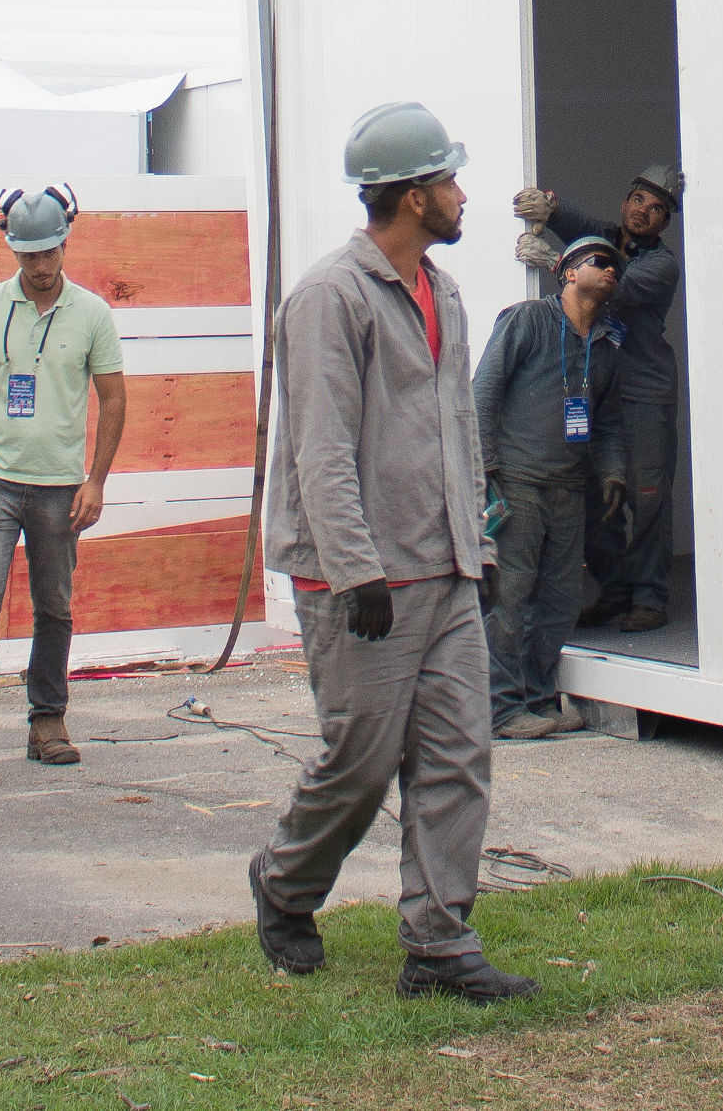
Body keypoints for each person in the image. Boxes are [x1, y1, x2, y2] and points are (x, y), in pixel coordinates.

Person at [247, 100, 534, 1003]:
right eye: (448, 180)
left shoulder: (441, 291)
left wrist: (474, 548)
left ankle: (438, 945)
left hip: (443, 570)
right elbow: (320, 447)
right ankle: (285, 885)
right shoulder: (330, 298)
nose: (461, 195)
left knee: (457, 758)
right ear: (411, 198)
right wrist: (354, 568)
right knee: (360, 764)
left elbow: (453, 427)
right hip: (360, 580)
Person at [0, 184, 126, 778]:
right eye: (29, 256)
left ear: (66, 243)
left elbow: (114, 398)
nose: (41, 266)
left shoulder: (92, 313)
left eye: (50, 253)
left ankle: (47, 722)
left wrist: (95, 481)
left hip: (58, 486)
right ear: (13, 251)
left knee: (55, 605)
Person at [472, 233, 627, 739]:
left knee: (559, 601)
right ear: (567, 272)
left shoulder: (605, 343)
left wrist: (612, 473)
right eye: (600, 262)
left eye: (616, 267)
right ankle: (501, 710)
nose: (611, 271)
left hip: (567, 488)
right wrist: (485, 470)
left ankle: (538, 700)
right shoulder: (527, 320)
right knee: (510, 598)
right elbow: (485, 390)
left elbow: (605, 421)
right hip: (517, 481)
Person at [515, 163, 682, 631]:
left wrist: (554, 262)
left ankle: (649, 599)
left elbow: (615, 289)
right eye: (638, 200)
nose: (643, 212)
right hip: (601, 390)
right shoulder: (610, 239)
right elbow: (583, 229)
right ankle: (615, 591)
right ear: (626, 200)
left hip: (647, 395)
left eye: (657, 209)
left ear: (666, 221)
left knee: (646, 497)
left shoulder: (660, 266)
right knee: (596, 494)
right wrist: (551, 209)